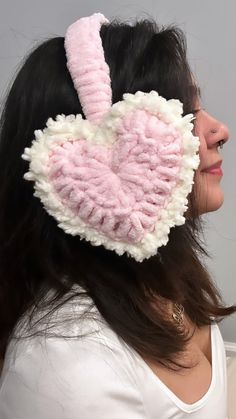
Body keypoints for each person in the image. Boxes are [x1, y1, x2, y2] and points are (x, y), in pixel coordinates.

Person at [0, 12, 235, 419]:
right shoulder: (69, 368)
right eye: (186, 112)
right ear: (104, 150)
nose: (220, 131)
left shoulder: (167, 279)